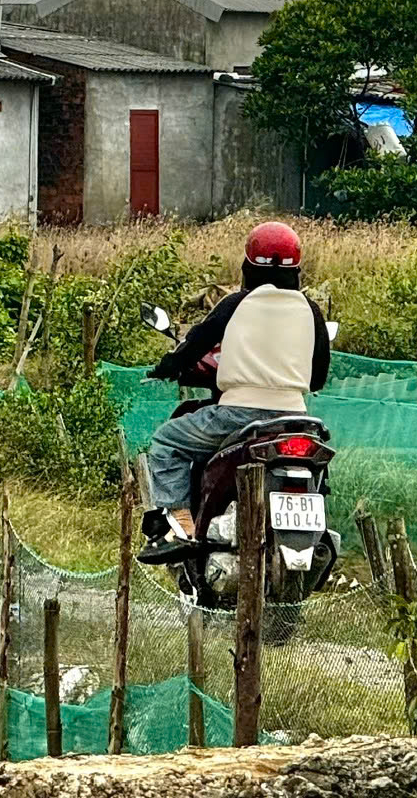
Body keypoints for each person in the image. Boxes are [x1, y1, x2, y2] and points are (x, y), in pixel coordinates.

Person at [137, 221, 330, 564]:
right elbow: (317, 379)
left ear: (247, 266)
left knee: (167, 442)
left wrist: (165, 368)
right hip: (296, 421)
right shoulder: (311, 310)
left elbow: (194, 344)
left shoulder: (236, 304)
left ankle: (181, 527)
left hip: (238, 415)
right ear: (297, 268)